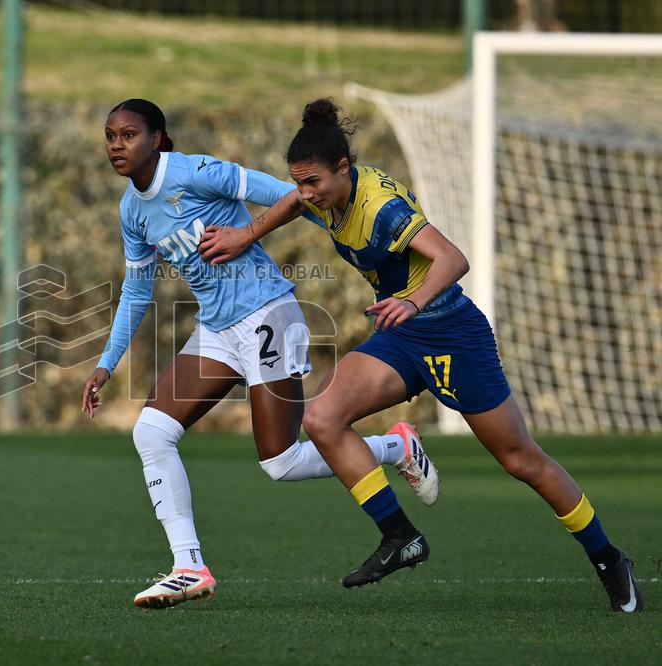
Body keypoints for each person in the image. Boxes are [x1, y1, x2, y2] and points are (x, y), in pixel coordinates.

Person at [197, 98, 643, 612]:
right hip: (400, 335)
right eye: (299, 182)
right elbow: (294, 204)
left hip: (451, 332)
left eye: (313, 182)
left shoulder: (382, 208)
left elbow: (454, 258)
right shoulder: (323, 195)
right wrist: (246, 234)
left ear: (344, 168)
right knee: (322, 418)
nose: (305, 194)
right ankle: (400, 536)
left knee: (521, 460)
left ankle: (608, 557)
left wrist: (412, 300)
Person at [80, 99, 440, 609]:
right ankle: (189, 566)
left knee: (281, 461)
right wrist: (105, 363)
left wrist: (347, 234)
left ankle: (395, 448)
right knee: (152, 431)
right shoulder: (130, 209)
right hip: (217, 330)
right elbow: (138, 292)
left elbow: (289, 195)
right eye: (111, 136)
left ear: (158, 138)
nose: (117, 145)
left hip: (268, 314)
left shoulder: (196, 171)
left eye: (129, 134)